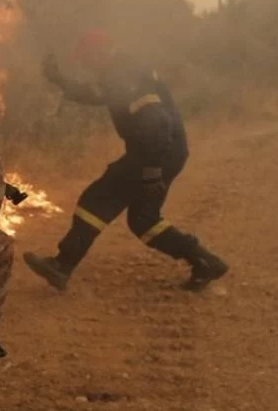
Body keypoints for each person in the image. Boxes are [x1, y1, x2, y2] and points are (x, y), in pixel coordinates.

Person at [23, 29, 229, 293]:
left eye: (87, 59)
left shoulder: (125, 73)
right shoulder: (119, 72)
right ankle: (205, 262)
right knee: (144, 220)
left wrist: (153, 171)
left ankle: (62, 265)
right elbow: (96, 94)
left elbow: (157, 121)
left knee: (96, 200)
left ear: (99, 53)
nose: (86, 65)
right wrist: (60, 80)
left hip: (154, 151)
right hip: (166, 151)